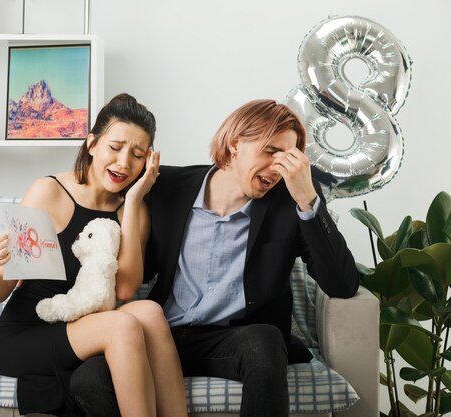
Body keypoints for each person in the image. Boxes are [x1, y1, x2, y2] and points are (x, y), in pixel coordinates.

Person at [70, 99, 359, 417]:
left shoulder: (291, 201)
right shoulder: (166, 187)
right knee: (88, 378)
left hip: (234, 339)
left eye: (288, 157)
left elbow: (341, 285)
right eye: (270, 151)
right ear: (235, 145)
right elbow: (100, 183)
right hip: (163, 334)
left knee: (263, 341)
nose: (277, 168)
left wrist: (308, 199)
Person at [0, 93, 188, 417]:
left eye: (136, 155)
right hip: (27, 332)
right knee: (123, 326)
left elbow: (125, 291)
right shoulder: (47, 192)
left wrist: (131, 203)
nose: (123, 163)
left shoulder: (135, 211)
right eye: (115, 148)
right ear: (92, 144)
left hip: (84, 328)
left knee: (149, 312)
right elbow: (0, 292)